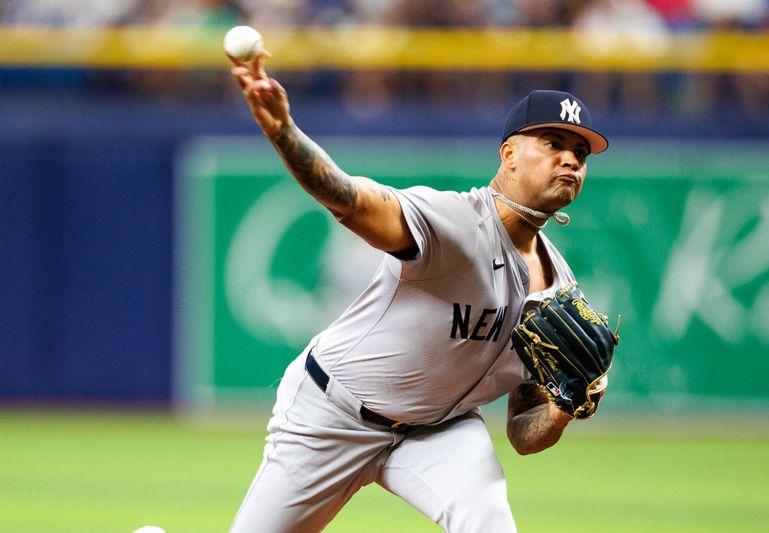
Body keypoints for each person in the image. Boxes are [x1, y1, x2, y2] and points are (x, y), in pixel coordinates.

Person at [227, 50, 609, 533]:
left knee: (490, 522)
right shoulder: (455, 224)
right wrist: (283, 132)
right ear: (508, 154)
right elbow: (349, 200)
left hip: (440, 431)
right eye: (553, 142)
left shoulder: (561, 291)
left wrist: (563, 406)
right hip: (334, 413)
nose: (570, 159)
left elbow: (522, 434)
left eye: (580, 152)